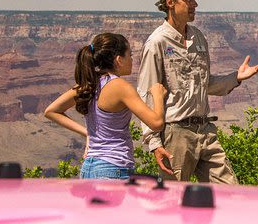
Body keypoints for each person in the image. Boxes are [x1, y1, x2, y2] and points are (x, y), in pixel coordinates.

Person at [137, 0, 258, 183]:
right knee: (174, 197)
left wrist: (236, 78)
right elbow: (147, 92)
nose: (195, 4)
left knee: (229, 190)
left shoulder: (198, 38)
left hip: (205, 130)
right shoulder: (157, 42)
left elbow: (204, 84)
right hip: (175, 133)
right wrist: (153, 142)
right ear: (170, 2)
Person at [45, 33, 167, 179]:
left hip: (89, 168)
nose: (132, 60)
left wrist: (88, 133)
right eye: (130, 55)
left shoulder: (89, 85)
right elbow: (156, 123)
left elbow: (51, 111)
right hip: (113, 168)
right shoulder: (120, 86)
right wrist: (158, 96)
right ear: (119, 60)